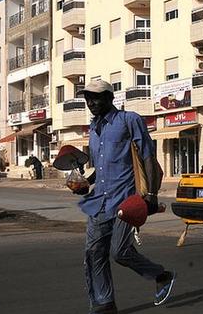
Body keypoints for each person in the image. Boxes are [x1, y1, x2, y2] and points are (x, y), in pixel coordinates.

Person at [71, 80, 175, 313]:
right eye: (88, 98)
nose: (91, 103)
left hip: (126, 202)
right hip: (99, 203)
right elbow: (101, 168)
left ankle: (161, 274)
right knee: (94, 254)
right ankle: (104, 303)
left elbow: (148, 156)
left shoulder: (130, 120)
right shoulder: (94, 128)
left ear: (110, 98)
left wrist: (151, 195)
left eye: (96, 97)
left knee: (119, 252)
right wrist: (85, 183)